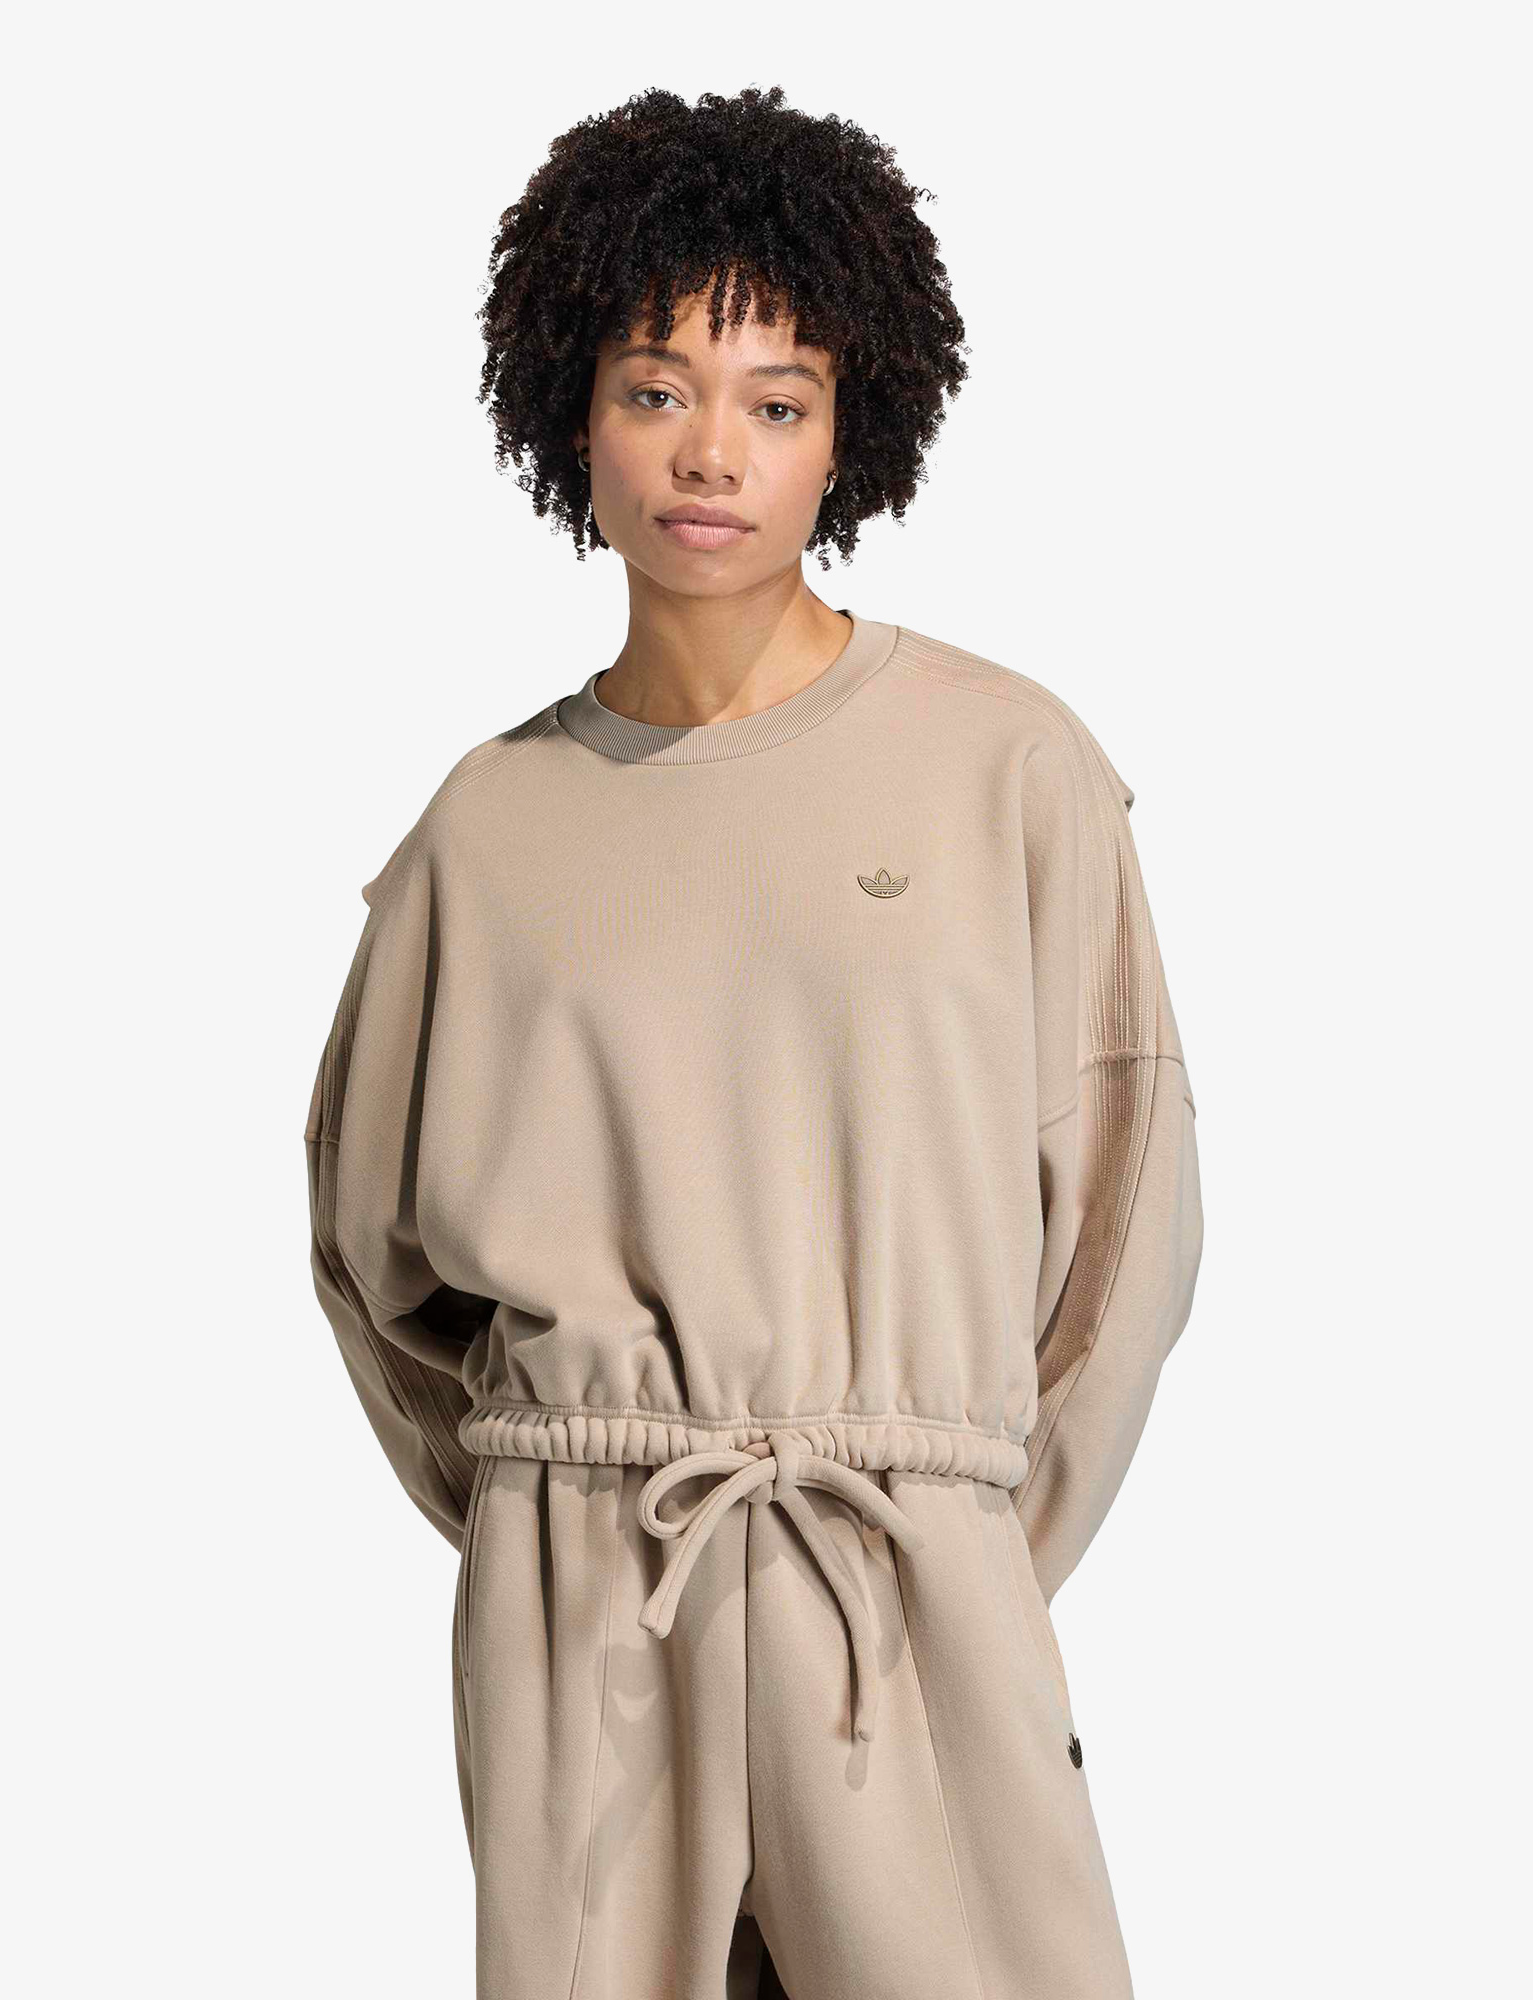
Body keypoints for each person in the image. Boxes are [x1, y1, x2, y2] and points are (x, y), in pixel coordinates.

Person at [303, 84, 1204, 2000]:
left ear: (847, 435)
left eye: (777, 402)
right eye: (656, 389)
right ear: (573, 412)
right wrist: (553, 1516)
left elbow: (1125, 1236)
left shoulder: (1008, 766)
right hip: (592, 1612)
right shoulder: (484, 828)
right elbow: (370, 1265)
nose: (711, 451)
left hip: (901, 1581)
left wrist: (957, 1536)